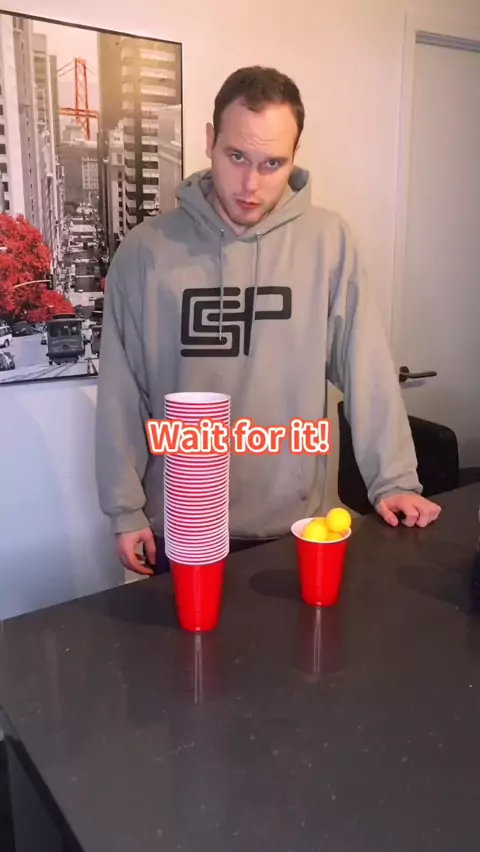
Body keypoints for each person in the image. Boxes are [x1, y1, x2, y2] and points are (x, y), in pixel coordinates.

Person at [95, 65, 441, 577]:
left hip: (297, 528)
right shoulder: (146, 251)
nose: (251, 184)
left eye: (272, 163)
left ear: (295, 156)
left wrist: (393, 481)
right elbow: (121, 390)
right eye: (236, 156)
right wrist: (125, 511)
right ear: (210, 141)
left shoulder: (328, 243)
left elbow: (366, 367)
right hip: (181, 525)